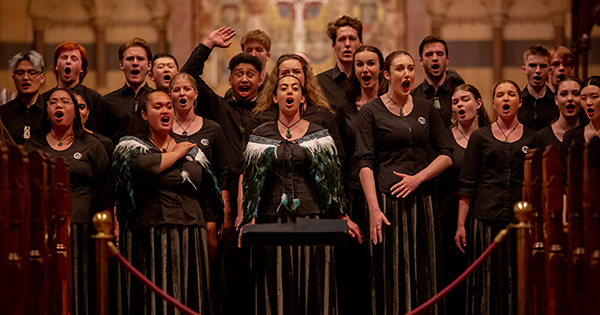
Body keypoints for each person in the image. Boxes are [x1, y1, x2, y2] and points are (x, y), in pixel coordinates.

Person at [238, 74, 362, 314]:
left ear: (303, 97)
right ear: (275, 97)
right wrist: (249, 217)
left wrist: (341, 216)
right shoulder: (261, 134)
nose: (289, 92)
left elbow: (332, 180)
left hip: (312, 218)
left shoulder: (320, 133)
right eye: (283, 88)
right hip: (272, 220)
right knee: (276, 289)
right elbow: (252, 181)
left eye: (295, 88)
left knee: (314, 287)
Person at [355, 51, 453, 314]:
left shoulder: (425, 108)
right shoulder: (369, 111)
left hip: (424, 201)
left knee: (425, 271)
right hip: (386, 203)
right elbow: (364, 162)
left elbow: (447, 154)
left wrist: (419, 178)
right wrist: (373, 209)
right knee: (388, 275)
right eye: (400, 69)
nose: (407, 74)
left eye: (410, 68)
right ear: (386, 75)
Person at [112, 90, 222, 315]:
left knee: (189, 296)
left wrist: (210, 225)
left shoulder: (191, 148)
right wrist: (176, 154)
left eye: (168, 107)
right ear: (144, 114)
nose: (165, 110)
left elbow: (206, 188)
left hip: (190, 230)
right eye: (158, 106)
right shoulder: (131, 146)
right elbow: (142, 168)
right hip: (148, 230)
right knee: (153, 299)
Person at [455, 80, 544, 315]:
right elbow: (467, 182)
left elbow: (539, 184)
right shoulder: (480, 137)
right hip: (484, 216)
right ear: (493, 103)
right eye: (500, 95)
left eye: (511, 94)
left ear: (520, 102)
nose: (506, 99)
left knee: (518, 276)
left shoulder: (533, 138)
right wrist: (460, 224)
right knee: (485, 279)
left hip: (520, 221)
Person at [25, 88, 112, 315]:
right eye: (53, 102)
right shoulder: (33, 146)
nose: (58, 106)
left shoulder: (92, 145)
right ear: (46, 111)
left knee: (81, 285)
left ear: (76, 111)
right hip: (42, 229)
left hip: (83, 229)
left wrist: (110, 225)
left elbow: (105, 190)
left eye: (65, 102)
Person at [336, 45, 385, 314]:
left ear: (381, 68)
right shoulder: (345, 109)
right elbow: (341, 157)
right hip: (355, 193)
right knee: (356, 268)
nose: (365, 70)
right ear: (353, 70)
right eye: (360, 65)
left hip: (386, 191)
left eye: (371, 63)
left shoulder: (392, 104)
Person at [438, 84, 490, 314]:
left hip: (482, 215)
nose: (460, 105)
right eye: (456, 101)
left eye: (465, 99)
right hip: (449, 217)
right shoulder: (445, 139)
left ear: (478, 104)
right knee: (452, 278)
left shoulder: (490, 136)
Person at [168, 72, 231, 258]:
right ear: (169, 94)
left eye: (187, 89)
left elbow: (222, 172)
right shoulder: (162, 129)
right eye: (176, 90)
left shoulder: (213, 129)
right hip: (172, 207)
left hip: (206, 207)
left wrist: (224, 209)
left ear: (195, 94)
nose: (182, 94)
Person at [249, 53, 346, 173]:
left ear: (305, 77)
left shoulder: (322, 116)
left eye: (296, 71)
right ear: (277, 79)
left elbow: (338, 159)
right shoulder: (261, 117)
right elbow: (248, 164)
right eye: (285, 73)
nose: (290, 76)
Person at [93, 37, 154, 145]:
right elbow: (99, 143)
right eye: (130, 59)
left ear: (149, 65)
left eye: (140, 58)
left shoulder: (159, 100)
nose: (135, 63)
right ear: (121, 65)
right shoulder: (107, 102)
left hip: (154, 160)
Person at [41, 42, 102, 128]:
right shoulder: (44, 99)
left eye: (74, 59)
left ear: (82, 68)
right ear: (56, 66)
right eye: (64, 58)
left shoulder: (93, 98)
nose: (68, 61)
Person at [411, 35, 465, 127]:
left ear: (447, 60)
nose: (435, 58)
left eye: (439, 54)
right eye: (429, 54)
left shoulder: (461, 95)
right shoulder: (412, 98)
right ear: (421, 61)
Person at [317, 15, 363, 110]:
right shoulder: (320, 83)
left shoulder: (371, 80)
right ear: (334, 46)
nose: (347, 44)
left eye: (352, 39)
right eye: (342, 39)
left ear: (361, 44)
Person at [1, 50, 46, 144]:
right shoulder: (2, 114)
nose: (25, 77)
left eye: (32, 72)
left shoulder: (51, 113)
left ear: (42, 78)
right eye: (20, 73)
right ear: (14, 78)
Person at [562, 76, 600, 180]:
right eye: (583, 98)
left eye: (594, 97)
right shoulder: (571, 137)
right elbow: (566, 178)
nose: (588, 102)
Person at [518, 45, 557, 131]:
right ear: (524, 69)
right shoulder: (516, 103)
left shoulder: (557, 102)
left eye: (542, 66)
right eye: (533, 65)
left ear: (549, 70)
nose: (538, 70)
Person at [538, 77, 583, 149]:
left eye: (576, 94)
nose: (570, 98)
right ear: (556, 100)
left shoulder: (589, 134)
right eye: (563, 94)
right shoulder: (541, 137)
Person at [73, 91, 114, 160]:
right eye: (74, 107)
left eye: (81, 107)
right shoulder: (51, 142)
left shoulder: (103, 143)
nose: (78, 112)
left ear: (87, 112)